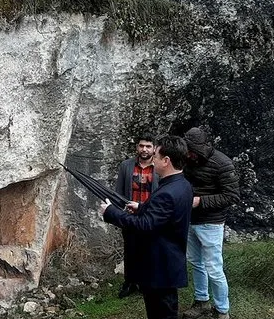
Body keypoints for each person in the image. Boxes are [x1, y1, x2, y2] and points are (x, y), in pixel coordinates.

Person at [101, 136, 193, 319]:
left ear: (166, 161)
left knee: (161, 313)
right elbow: (165, 215)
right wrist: (141, 207)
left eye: (156, 156)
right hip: (168, 262)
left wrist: (111, 212)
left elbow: (145, 225)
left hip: (160, 267)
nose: (153, 160)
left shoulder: (166, 192)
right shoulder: (182, 185)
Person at [181, 127, 240, 319]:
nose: (188, 154)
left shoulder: (222, 163)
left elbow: (231, 196)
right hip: (190, 220)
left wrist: (200, 201)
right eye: (186, 150)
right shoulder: (187, 160)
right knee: (196, 263)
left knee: (214, 268)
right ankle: (201, 302)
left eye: (191, 150)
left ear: (201, 147)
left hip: (212, 223)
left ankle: (222, 311)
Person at [114, 134, 160, 298]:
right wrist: (119, 213)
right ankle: (129, 282)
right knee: (130, 249)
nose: (144, 149)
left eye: (148, 146)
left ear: (154, 148)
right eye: (141, 146)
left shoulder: (159, 168)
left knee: (149, 249)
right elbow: (119, 192)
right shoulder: (126, 166)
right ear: (137, 147)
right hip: (130, 215)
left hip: (151, 215)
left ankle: (146, 282)